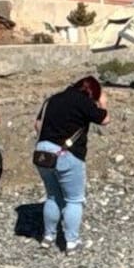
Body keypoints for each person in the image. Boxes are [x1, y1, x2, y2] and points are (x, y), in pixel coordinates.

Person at [34, 75, 109, 253]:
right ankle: (71, 242)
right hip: (67, 154)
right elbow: (104, 120)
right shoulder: (83, 101)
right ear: (92, 93)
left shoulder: (52, 99)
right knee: (74, 200)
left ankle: (48, 236)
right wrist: (103, 103)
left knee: (52, 196)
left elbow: (37, 125)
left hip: (43, 153)